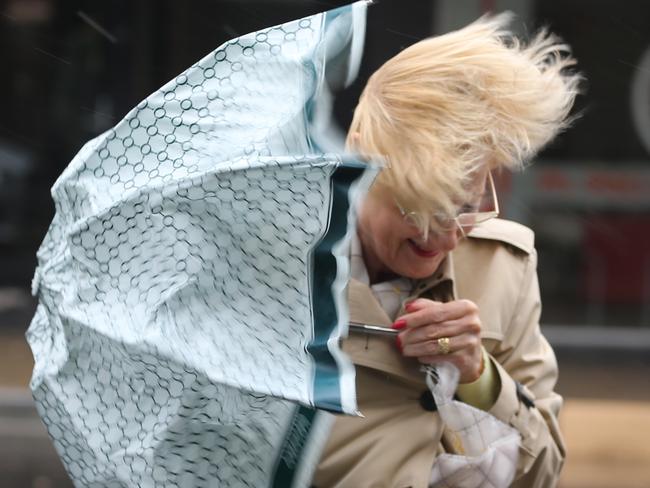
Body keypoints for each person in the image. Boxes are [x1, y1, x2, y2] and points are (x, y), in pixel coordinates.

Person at [312, 12, 580, 488]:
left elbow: (543, 470)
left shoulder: (504, 267)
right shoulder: (277, 259)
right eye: (416, 210)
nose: (443, 237)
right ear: (358, 163)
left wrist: (478, 376)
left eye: (465, 206)